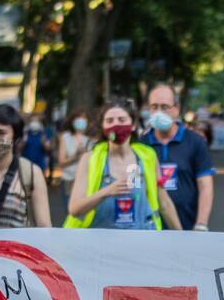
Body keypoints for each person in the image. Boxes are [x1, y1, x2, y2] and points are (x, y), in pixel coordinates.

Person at [66, 99, 182, 231]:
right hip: (101, 242)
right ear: (103, 128)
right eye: (110, 121)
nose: (116, 125)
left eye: (121, 120)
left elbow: (164, 203)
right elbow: (74, 209)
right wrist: (107, 191)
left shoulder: (147, 156)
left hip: (141, 239)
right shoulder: (90, 159)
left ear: (132, 125)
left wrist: (180, 238)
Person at [140, 83, 215, 231]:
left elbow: (205, 186)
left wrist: (201, 224)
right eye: (154, 107)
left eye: (164, 107)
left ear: (177, 108)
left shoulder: (195, 142)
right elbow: (134, 187)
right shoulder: (141, 146)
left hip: (188, 228)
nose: (158, 112)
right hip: (150, 229)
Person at [58, 109, 92, 202]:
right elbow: (61, 162)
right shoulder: (65, 137)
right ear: (72, 121)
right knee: (70, 212)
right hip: (68, 180)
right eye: (78, 118)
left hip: (86, 181)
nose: (81, 120)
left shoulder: (91, 140)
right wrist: (76, 155)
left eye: (84, 118)